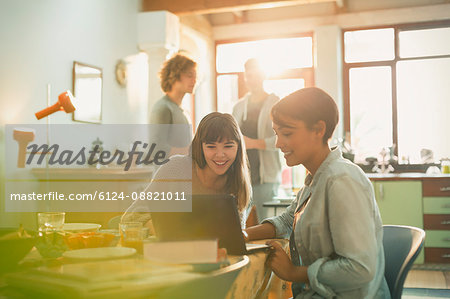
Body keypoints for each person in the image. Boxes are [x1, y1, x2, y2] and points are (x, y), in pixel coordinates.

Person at [244, 87, 391, 298]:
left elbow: (360, 268)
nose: (278, 143)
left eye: (287, 133)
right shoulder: (315, 178)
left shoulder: (341, 180)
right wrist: (243, 235)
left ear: (318, 130)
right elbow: (288, 220)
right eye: (277, 134)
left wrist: (294, 272)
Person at [122, 112, 252, 228]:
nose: (220, 154)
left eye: (228, 146)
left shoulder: (237, 182)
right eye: (211, 147)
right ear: (200, 147)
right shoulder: (176, 168)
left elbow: (236, 236)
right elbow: (129, 218)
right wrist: (160, 227)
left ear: (238, 148)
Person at [232, 58, 281, 223]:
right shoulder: (238, 107)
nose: (250, 80)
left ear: (263, 75)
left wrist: (254, 143)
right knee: (238, 223)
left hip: (266, 178)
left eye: (255, 75)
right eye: (248, 76)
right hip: (242, 177)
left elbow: (282, 139)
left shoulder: (275, 103)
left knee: (268, 223)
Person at [150, 53, 197, 156]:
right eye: (189, 76)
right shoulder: (163, 108)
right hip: (167, 171)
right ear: (174, 75)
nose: (194, 80)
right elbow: (155, 149)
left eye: (195, 76)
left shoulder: (183, 111)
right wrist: (191, 151)